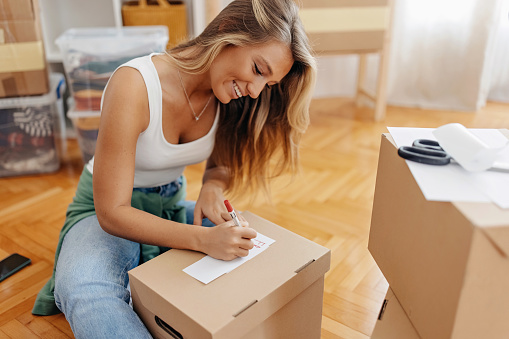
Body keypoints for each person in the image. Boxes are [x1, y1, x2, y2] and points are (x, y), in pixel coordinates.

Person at [32, 0, 317, 337]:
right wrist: (203, 239)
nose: (255, 91)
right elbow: (112, 213)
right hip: (103, 213)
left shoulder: (229, 95)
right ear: (228, 30)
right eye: (258, 69)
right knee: (86, 289)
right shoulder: (134, 85)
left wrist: (211, 187)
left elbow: (221, 164)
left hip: (169, 207)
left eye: (267, 85)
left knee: (254, 250)